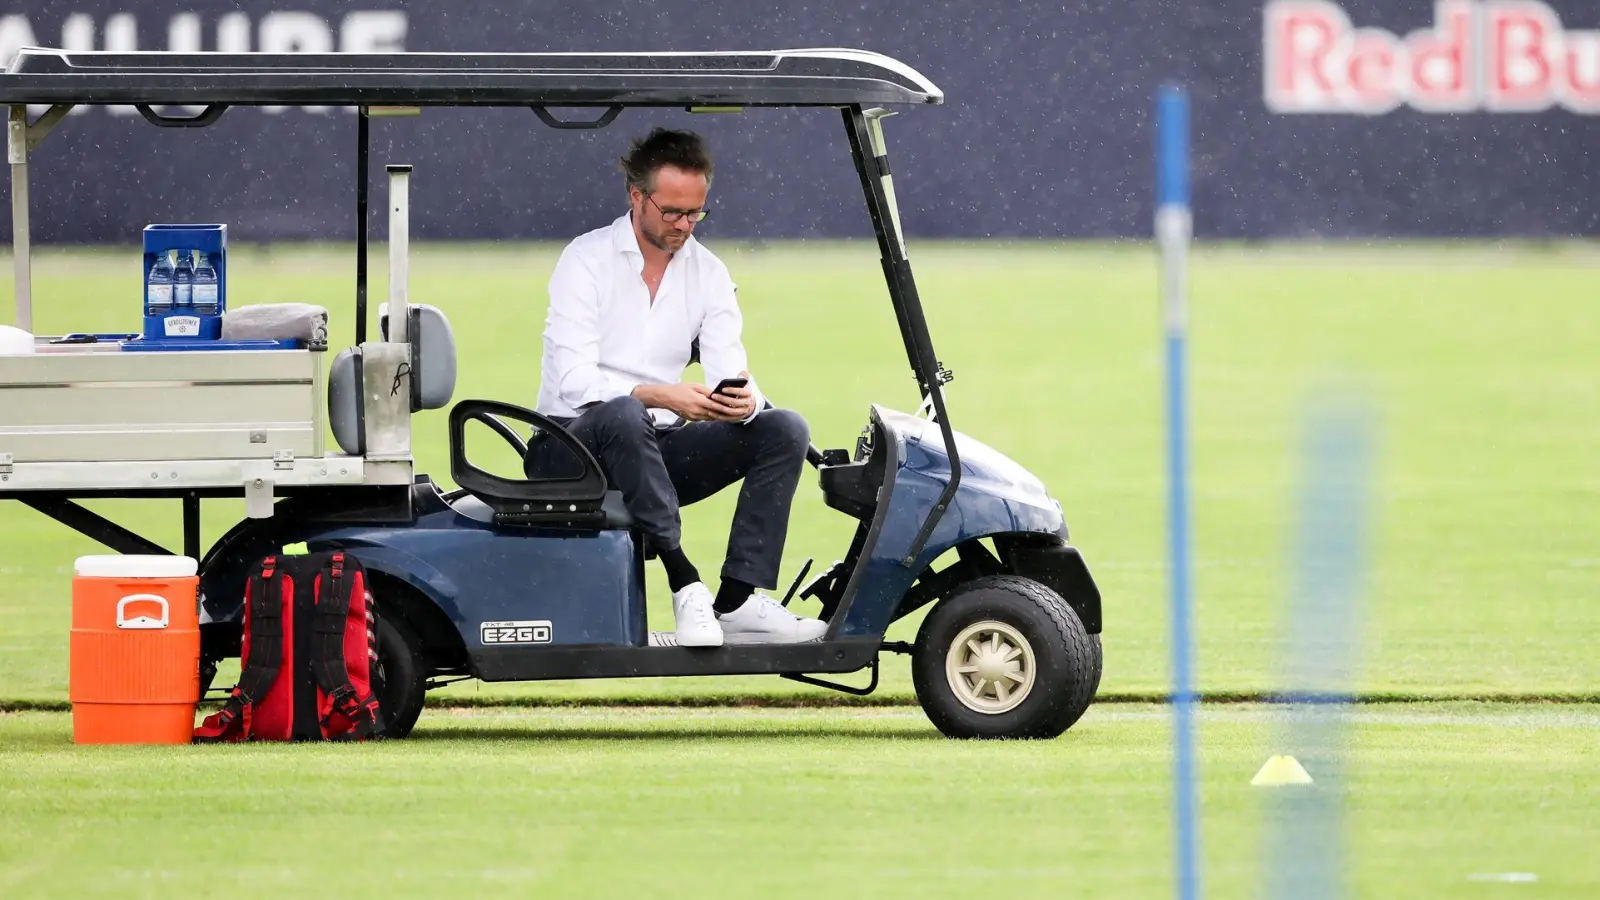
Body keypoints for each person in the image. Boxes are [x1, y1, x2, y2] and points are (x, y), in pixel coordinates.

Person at [527, 127, 827, 648]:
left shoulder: (708, 273)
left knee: (784, 428)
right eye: (671, 212)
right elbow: (574, 383)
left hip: (653, 451)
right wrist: (666, 394)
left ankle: (736, 601)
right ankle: (684, 579)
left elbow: (731, 367)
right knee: (624, 413)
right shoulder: (585, 260)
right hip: (569, 449)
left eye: (696, 213)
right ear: (636, 196)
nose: (684, 226)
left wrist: (741, 400)